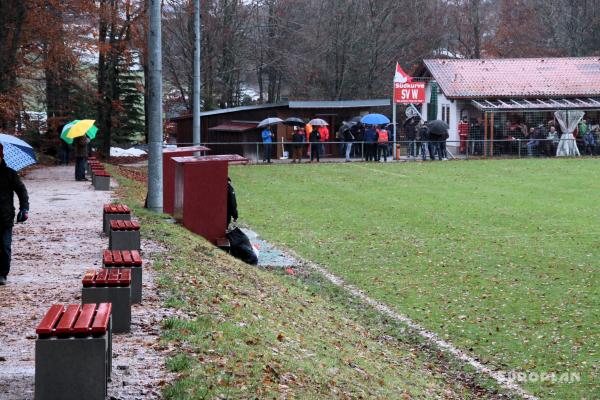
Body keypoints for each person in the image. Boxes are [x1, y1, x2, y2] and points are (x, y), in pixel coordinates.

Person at [0, 144, 29, 285]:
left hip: (5, 217)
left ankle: (3, 274)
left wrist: (24, 208)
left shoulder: (10, 173)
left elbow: (21, 191)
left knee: (5, 247)